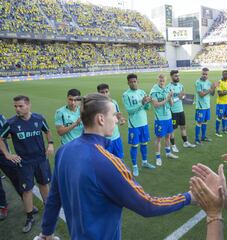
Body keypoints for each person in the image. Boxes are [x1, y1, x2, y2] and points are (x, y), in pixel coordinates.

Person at [37, 93, 193, 240]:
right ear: (101, 119)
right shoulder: (107, 162)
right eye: (113, 115)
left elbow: (53, 199)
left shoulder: (64, 151)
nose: (117, 120)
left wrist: (46, 233)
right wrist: (188, 197)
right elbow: (147, 205)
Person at [0, 96, 54, 233]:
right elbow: (1, 138)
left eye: (20, 106)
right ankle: (29, 217)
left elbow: (47, 131)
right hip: (24, 162)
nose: (17, 109)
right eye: (15, 106)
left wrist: (50, 144)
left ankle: (48, 210)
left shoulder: (39, 118)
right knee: (26, 190)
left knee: (44, 184)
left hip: (41, 159)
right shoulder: (10, 123)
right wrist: (7, 154)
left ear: (28, 105)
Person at [122, 74, 156, 177]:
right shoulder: (126, 95)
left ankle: (144, 162)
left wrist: (147, 102)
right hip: (134, 125)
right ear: (128, 83)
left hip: (144, 123)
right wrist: (141, 103)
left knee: (144, 143)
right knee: (134, 145)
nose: (133, 83)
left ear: (137, 81)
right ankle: (135, 166)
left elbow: (148, 108)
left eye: (135, 81)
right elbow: (129, 111)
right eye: (131, 82)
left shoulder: (142, 92)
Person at [150, 74, 178, 166]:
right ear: (157, 80)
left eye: (163, 81)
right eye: (160, 80)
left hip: (168, 117)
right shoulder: (154, 91)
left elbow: (172, 104)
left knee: (168, 136)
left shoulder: (167, 89)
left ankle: (168, 153)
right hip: (160, 119)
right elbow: (156, 105)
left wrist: (170, 97)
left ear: (165, 81)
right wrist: (167, 99)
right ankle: (158, 157)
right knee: (159, 138)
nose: (162, 82)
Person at [167, 70, 196, 153]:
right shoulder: (168, 87)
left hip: (181, 110)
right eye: (176, 76)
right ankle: (173, 145)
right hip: (173, 112)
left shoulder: (181, 86)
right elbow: (170, 101)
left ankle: (185, 142)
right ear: (171, 76)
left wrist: (188, 100)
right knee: (172, 129)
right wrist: (179, 97)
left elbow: (182, 97)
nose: (178, 77)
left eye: (178, 76)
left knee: (183, 127)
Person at [97, 83, 126, 159]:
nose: (105, 94)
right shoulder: (96, 106)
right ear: (98, 93)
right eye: (102, 92)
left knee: (119, 159)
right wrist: (113, 120)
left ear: (109, 92)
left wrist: (121, 119)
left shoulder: (114, 102)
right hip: (105, 139)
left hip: (116, 137)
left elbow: (117, 115)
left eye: (106, 91)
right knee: (106, 162)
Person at [194, 68, 217, 145]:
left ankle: (203, 137)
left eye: (206, 74)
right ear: (201, 73)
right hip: (200, 107)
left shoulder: (209, 82)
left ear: (208, 75)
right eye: (203, 74)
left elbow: (212, 94)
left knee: (205, 121)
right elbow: (201, 94)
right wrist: (210, 90)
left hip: (207, 106)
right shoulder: (198, 82)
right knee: (199, 122)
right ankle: (197, 139)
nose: (204, 75)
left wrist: (214, 88)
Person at [215, 70, 227, 137]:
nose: (226, 76)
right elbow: (220, 94)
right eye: (225, 74)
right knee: (219, 116)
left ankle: (224, 129)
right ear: (222, 74)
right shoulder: (219, 82)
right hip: (221, 103)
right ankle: (217, 131)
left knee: (225, 116)